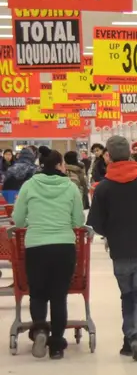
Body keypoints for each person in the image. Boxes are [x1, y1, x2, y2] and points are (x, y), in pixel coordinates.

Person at [87, 136, 137, 361]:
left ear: (109, 156)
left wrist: (111, 232)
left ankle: (128, 341)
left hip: (120, 250)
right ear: (130, 155)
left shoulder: (104, 186)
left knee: (128, 296)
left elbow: (95, 222)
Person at [11, 150, 85, 360]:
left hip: (36, 246)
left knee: (38, 293)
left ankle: (41, 330)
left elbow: (18, 220)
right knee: (58, 296)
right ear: (60, 166)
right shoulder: (70, 187)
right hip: (63, 247)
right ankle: (57, 347)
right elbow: (78, 221)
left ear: (41, 165)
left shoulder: (29, 185)